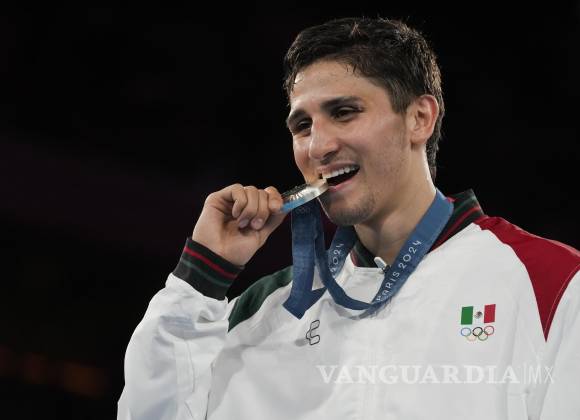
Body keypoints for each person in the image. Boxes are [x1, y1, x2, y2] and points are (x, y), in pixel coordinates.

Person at [117, 17, 580, 420]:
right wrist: (200, 279)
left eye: (344, 112)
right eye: (303, 126)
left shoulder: (552, 284)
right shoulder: (261, 314)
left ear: (419, 119)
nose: (317, 147)